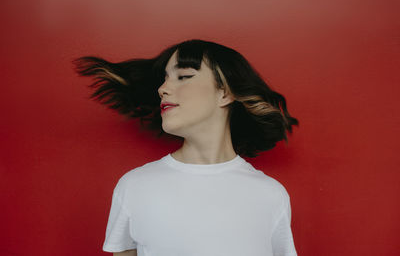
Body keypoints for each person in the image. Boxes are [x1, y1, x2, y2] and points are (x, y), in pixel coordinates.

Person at [72, 39, 299, 256]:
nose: (163, 88)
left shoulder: (270, 195)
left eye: (184, 76)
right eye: (165, 79)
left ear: (225, 93)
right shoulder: (134, 187)